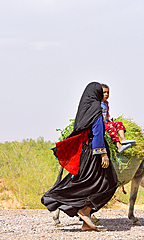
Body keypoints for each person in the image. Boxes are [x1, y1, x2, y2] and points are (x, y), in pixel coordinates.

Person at [41, 82, 118, 232]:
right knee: (110, 183)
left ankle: (85, 221)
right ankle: (84, 210)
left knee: (87, 183)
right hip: (95, 152)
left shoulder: (84, 109)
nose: (103, 95)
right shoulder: (96, 108)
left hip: (86, 152)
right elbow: (97, 132)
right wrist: (103, 154)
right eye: (100, 92)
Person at [101, 83, 136, 153]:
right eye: (104, 92)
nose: (106, 94)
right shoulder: (97, 103)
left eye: (108, 92)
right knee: (111, 128)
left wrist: (110, 120)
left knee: (119, 124)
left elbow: (107, 114)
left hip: (107, 122)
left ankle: (123, 139)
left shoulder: (106, 103)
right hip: (100, 123)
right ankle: (118, 146)